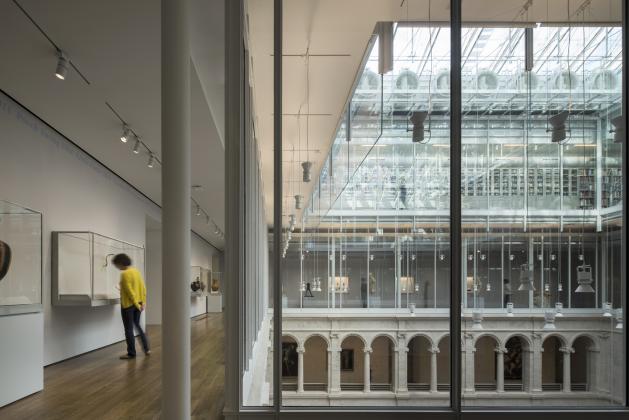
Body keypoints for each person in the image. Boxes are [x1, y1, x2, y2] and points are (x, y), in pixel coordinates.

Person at [113, 253, 150, 359]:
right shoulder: (136, 271)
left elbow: (130, 292)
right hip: (138, 303)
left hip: (128, 305)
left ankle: (131, 353)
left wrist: (135, 304)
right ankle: (147, 348)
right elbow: (143, 287)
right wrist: (143, 302)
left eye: (116, 264)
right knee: (138, 326)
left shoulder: (125, 274)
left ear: (120, 263)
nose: (117, 267)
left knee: (128, 329)